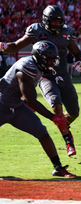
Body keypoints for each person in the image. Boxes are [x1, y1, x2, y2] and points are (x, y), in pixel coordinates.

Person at [0, 5, 81, 157]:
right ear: (46, 21)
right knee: (56, 105)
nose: (57, 25)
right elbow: (16, 46)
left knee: (74, 112)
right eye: (54, 22)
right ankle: (68, 140)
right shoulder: (37, 31)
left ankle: (64, 125)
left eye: (60, 22)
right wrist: (4, 47)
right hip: (45, 75)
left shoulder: (67, 33)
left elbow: (78, 53)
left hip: (63, 75)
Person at [0, 40, 76, 177]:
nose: (52, 63)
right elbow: (31, 100)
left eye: (54, 60)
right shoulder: (26, 68)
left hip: (17, 107)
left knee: (41, 132)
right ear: (40, 58)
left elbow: (26, 98)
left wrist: (27, 104)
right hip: (2, 105)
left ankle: (58, 168)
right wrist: (53, 117)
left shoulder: (37, 66)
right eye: (49, 60)